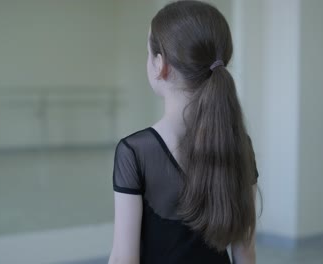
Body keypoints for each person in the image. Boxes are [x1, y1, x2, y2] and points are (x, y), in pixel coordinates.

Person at [108, 1, 259, 264]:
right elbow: (245, 254)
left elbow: (124, 258)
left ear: (160, 64)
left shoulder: (135, 152)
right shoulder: (239, 144)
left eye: (148, 52)